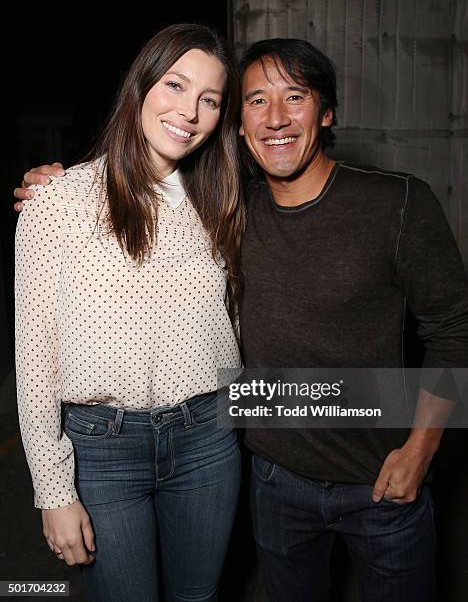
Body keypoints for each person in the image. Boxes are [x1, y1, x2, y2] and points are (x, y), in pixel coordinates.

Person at [15, 37, 468, 602]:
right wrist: (52, 489)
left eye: (295, 96)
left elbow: (456, 333)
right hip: (267, 477)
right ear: (240, 124)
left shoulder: (387, 202)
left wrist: (422, 449)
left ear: (326, 111)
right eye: (255, 100)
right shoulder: (229, 204)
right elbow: (36, 357)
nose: (275, 118)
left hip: (374, 479)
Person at [14, 23, 245, 602]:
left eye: (210, 100)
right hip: (102, 449)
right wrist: (53, 492)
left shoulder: (223, 203)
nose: (188, 112)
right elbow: (34, 358)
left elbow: (234, 325)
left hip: (207, 441)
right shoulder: (56, 204)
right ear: (141, 86)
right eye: (174, 85)